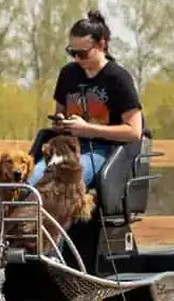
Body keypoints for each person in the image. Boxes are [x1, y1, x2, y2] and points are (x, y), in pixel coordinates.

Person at [29, 9, 143, 186]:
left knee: (61, 182)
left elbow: (135, 132)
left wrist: (88, 129)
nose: (77, 59)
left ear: (101, 45)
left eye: (82, 53)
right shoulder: (68, 74)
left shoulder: (118, 78)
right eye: (72, 53)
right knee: (30, 182)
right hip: (67, 148)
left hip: (104, 151)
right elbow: (60, 112)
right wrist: (61, 122)